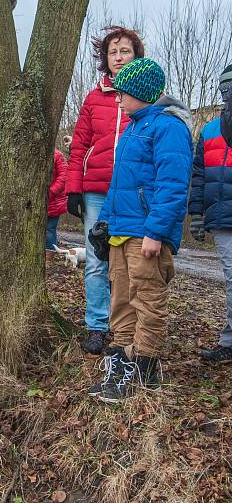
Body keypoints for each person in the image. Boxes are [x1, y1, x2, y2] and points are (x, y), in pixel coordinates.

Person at [88, 58, 192, 403]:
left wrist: (156, 232)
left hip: (146, 234)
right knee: (121, 301)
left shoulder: (168, 127)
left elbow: (173, 186)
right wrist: (105, 223)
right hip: (122, 230)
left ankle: (143, 369)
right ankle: (119, 363)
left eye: (123, 94)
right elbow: (120, 185)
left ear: (143, 93)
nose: (117, 100)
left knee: (147, 301)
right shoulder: (133, 127)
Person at [64, 26, 145, 355]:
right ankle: (97, 326)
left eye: (125, 50)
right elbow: (80, 143)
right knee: (97, 259)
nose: (119, 56)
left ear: (135, 55)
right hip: (96, 190)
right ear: (106, 59)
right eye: (113, 52)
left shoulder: (146, 96)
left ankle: (127, 325)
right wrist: (73, 188)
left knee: (127, 259)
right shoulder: (94, 98)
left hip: (131, 191)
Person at [189, 64, 232, 363]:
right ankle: (229, 342)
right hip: (221, 214)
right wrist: (196, 214)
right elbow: (199, 175)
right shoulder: (208, 130)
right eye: (224, 87)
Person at [46, 147, 68, 259]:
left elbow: (63, 176)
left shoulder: (57, 155)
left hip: (53, 201)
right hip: (35, 201)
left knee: (50, 229)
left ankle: (49, 254)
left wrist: (51, 192)